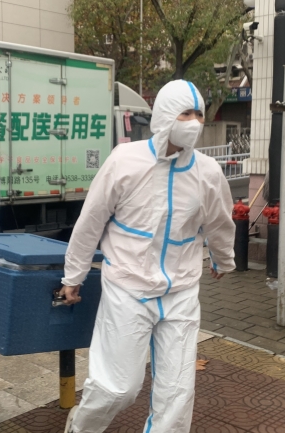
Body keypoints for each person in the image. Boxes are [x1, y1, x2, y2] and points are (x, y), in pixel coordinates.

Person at [60, 80, 236, 433]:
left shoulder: (207, 172)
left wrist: (223, 259)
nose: (194, 122)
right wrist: (73, 276)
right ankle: (81, 427)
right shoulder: (125, 160)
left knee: (177, 395)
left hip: (181, 292)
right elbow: (91, 221)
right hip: (128, 288)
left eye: (199, 114)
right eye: (185, 114)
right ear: (165, 115)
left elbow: (219, 220)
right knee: (117, 389)